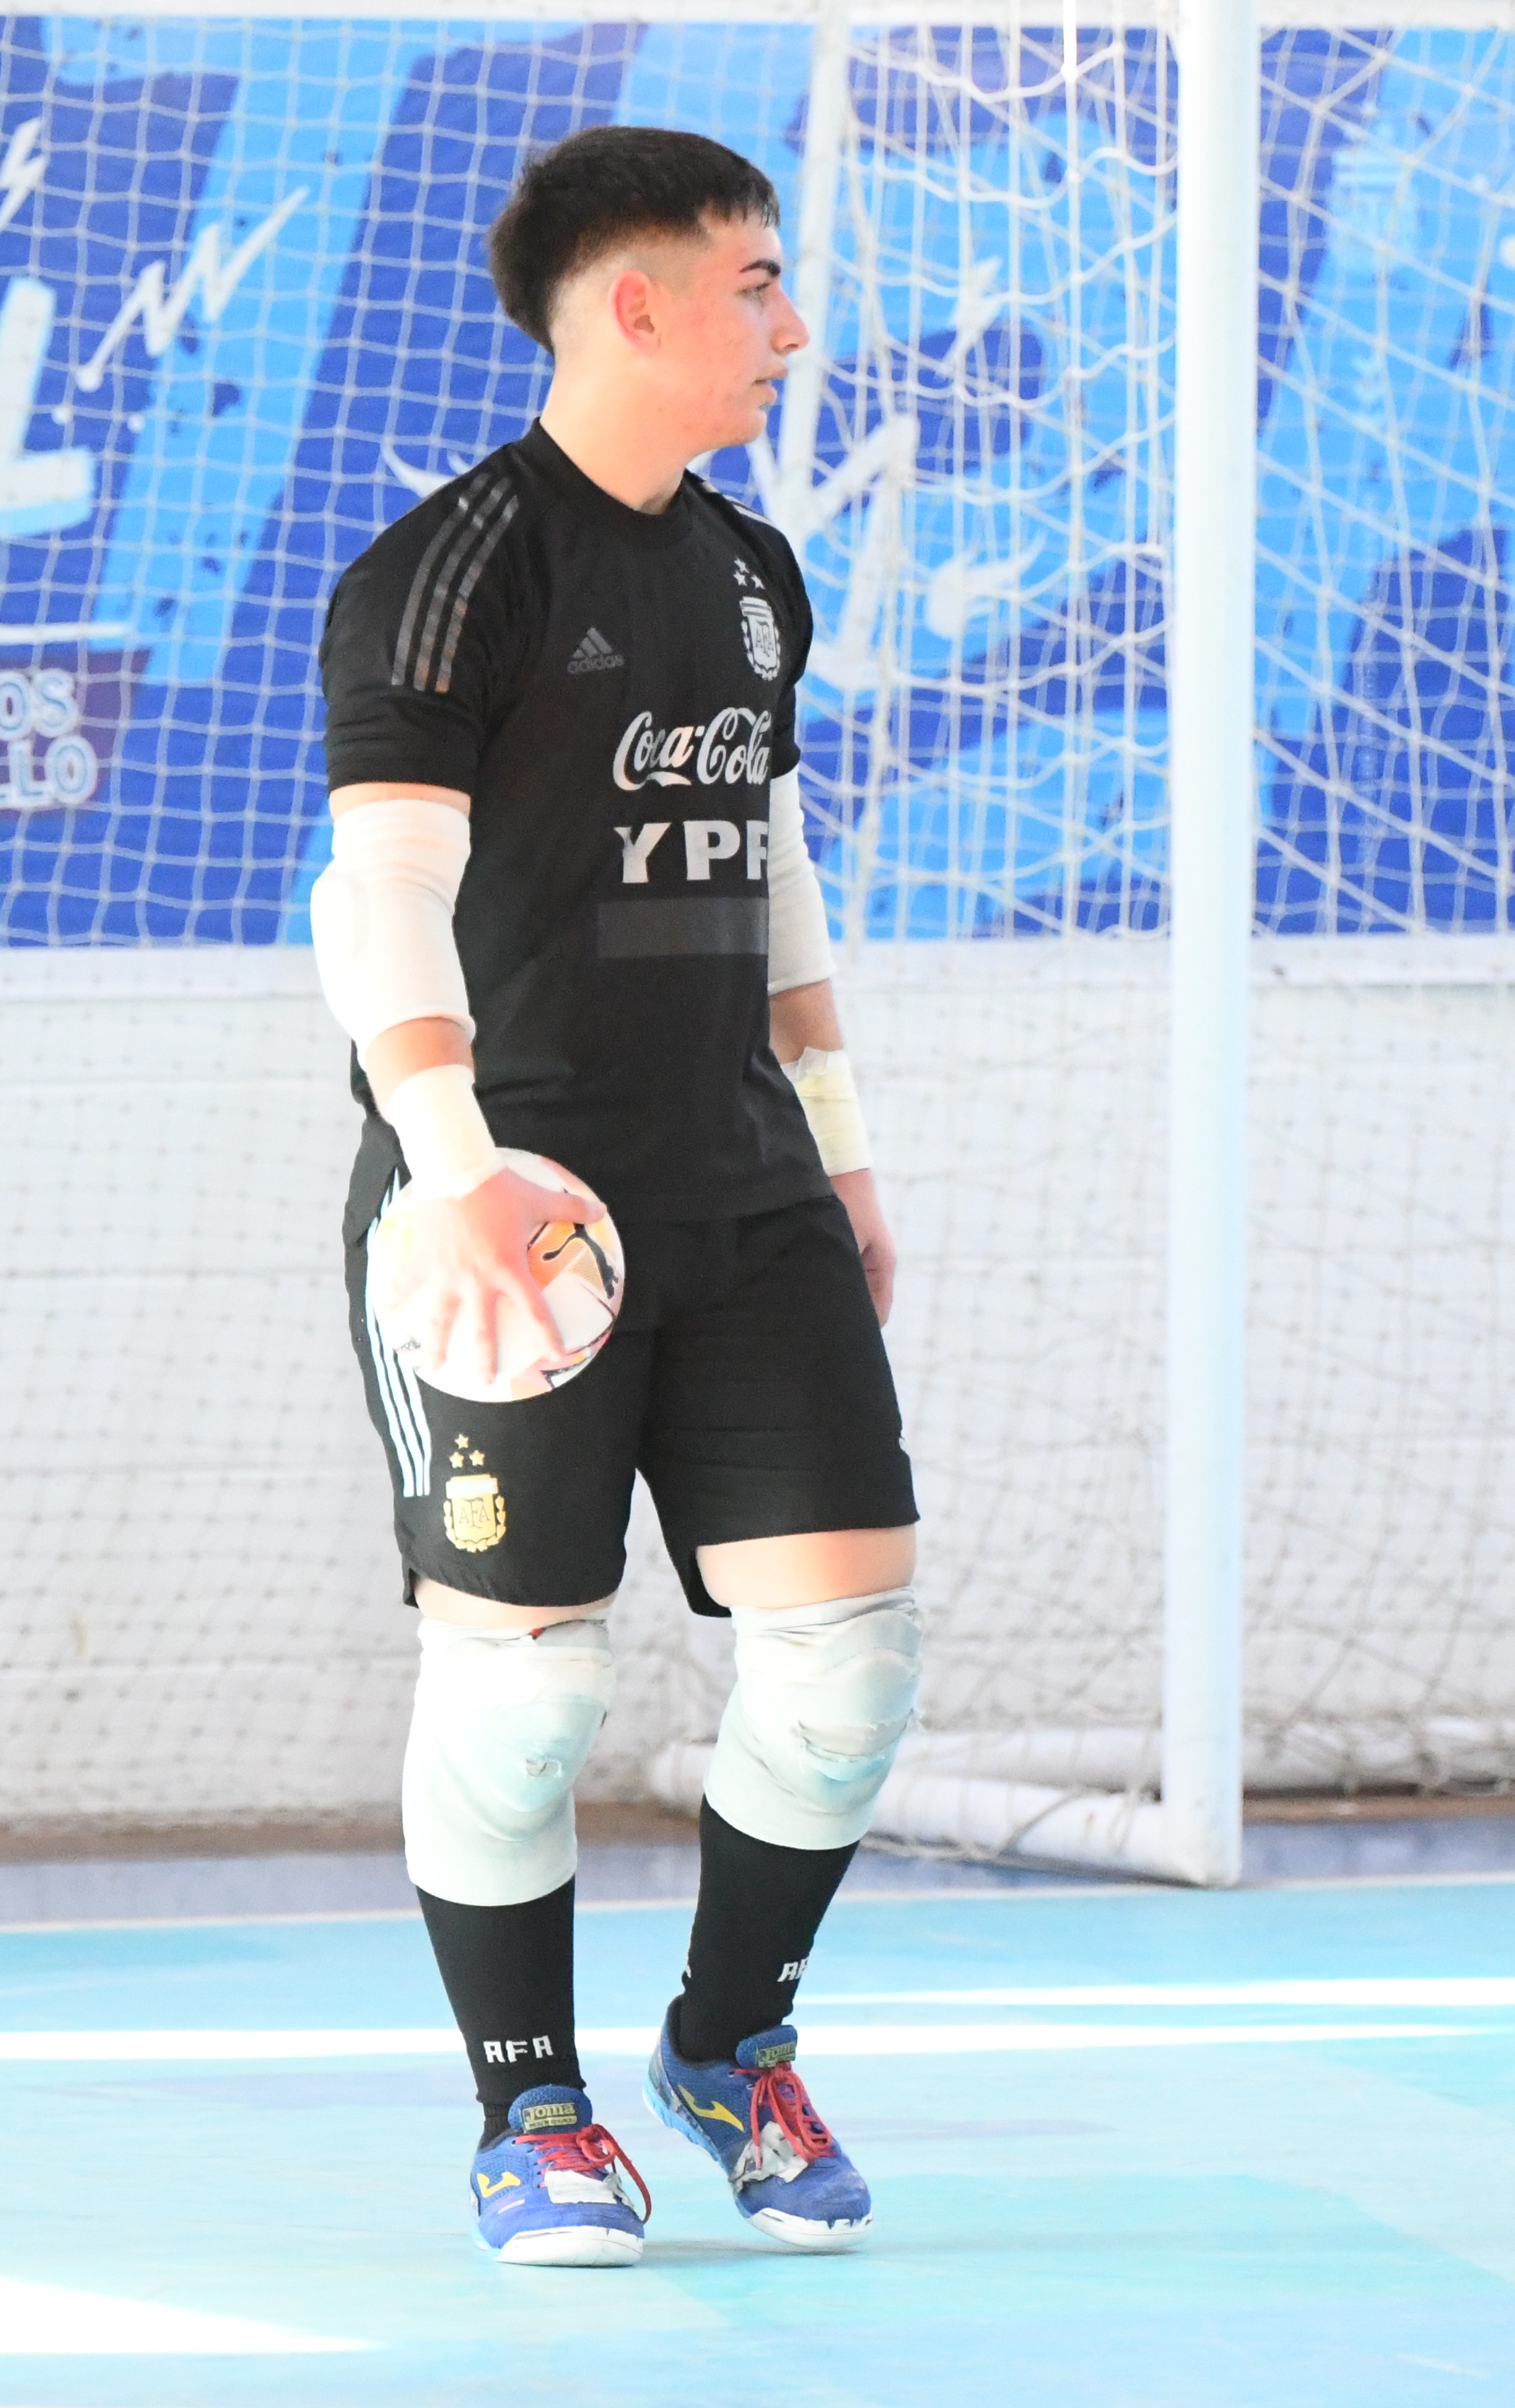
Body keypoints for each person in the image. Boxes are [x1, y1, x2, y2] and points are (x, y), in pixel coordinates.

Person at [308, 125, 920, 2269]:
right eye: (757, 282)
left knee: (846, 1669)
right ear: (634, 303)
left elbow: (773, 863)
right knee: (529, 1695)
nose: (793, 324)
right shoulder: (454, 569)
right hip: (516, 1206)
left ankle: (730, 2048)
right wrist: (456, 1170)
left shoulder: (753, 569)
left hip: (747, 1191)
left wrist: (842, 1151)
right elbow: (378, 893)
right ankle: (531, 2112)